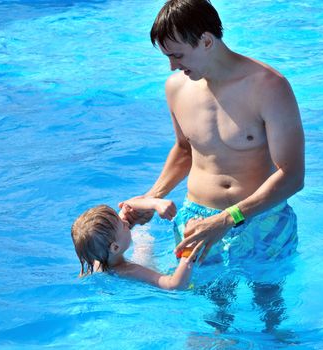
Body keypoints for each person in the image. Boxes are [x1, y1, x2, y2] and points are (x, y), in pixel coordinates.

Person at [121, 0, 305, 332]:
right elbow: (184, 149)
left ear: (207, 41)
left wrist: (228, 218)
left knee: (270, 311)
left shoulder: (269, 87)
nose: (172, 67)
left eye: (177, 55)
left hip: (261, 221)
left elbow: (292, 175)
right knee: (211, 315)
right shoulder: (176, 88)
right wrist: (152, 197)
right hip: (197, 221)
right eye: (167, 57)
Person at [71, 199, 195, 290]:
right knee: (144, 246)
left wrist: (154, 204)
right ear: (115, 247)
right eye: (123, 225)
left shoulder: (96, 261)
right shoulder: (131, 271)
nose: (126, 221)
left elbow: (113, 233)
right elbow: (175, 285)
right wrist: (190, 246)